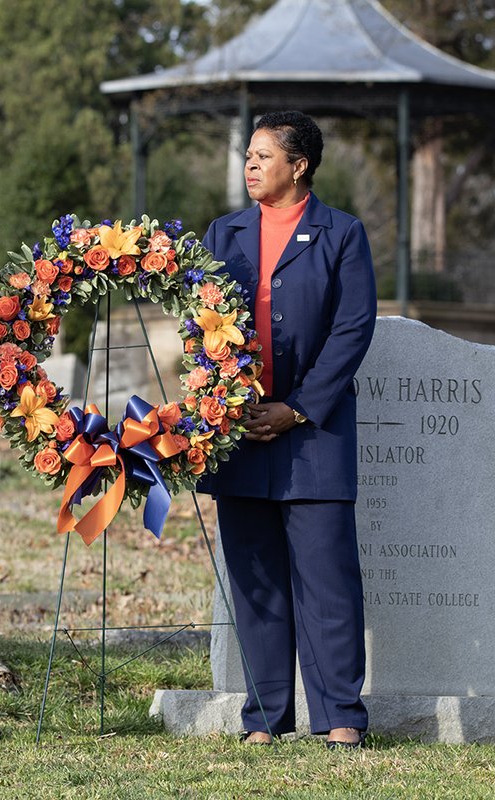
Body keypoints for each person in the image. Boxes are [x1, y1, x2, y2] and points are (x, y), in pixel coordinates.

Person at [201, 111, 376, 749]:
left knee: (327, 582)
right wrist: (225, 400)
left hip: (314, 434)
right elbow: (202, 323)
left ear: (299, 166)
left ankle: (341, 717)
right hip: (239, 431)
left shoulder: (342, 233)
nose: (250, 165)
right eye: (248, 155)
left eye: (263, 156)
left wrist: (297, 408)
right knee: (257, 585)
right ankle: (265, 719)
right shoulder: (223, 233)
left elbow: (352, 328)